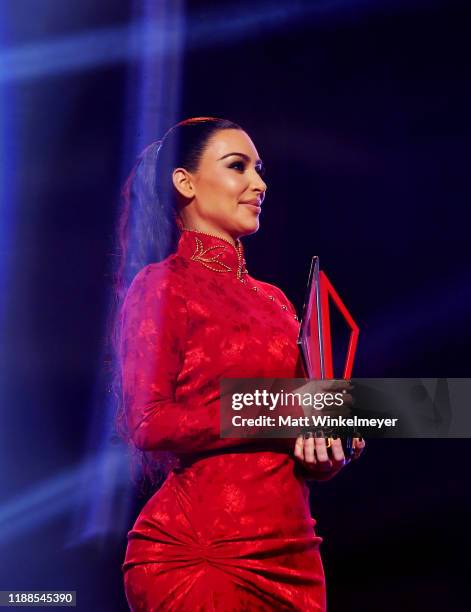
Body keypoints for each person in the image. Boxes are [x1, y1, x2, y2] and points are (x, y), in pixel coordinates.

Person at [114, 117, 365, 611]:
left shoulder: (275, 301)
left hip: (294, 557)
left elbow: (295, 430)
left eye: (260, 169)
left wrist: (327, 449)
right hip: (203, 555)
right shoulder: (163, 286)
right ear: (184, 182)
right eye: (238, 167)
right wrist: (274, 413)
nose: (259, 183)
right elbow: (147, 421)